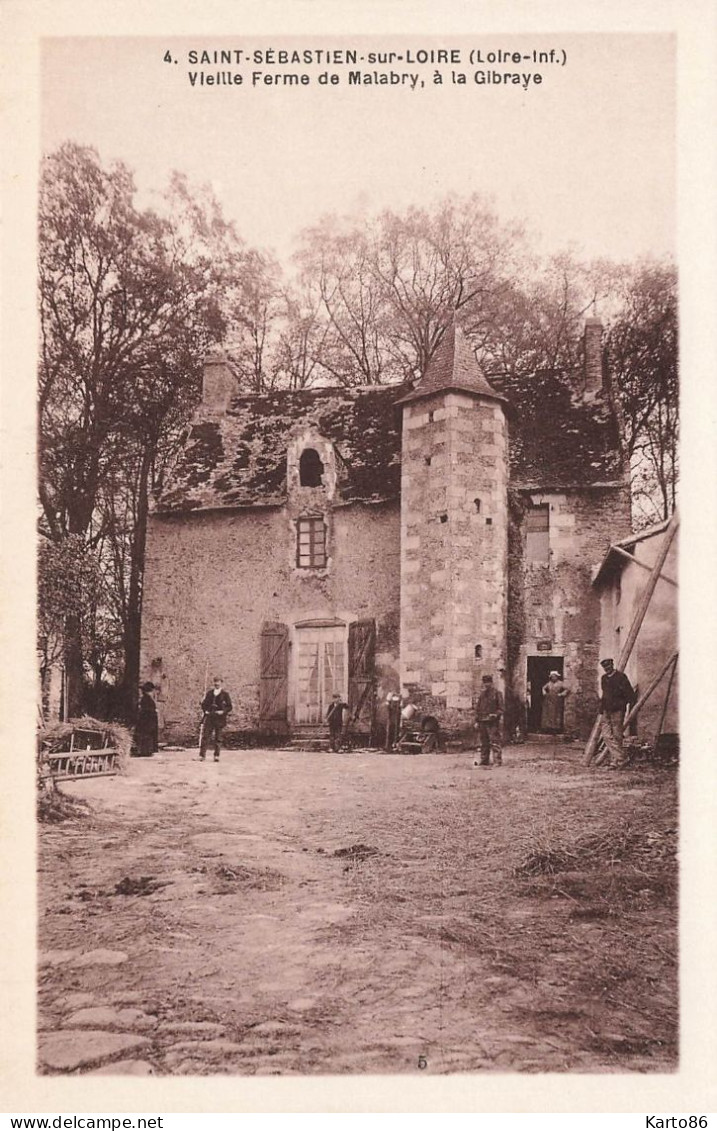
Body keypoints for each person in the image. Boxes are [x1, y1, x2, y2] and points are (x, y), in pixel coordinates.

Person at [599, 659, 636, 769]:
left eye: (609, 666)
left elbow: (630, 695)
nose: (607, 669)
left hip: (617, 710)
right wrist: (601, 709)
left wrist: (622, 705)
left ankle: (614, 762)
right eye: (605, 668)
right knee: (606, 735)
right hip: (606, 710)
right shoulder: (604, 678)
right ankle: (622, 758)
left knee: (617, 736)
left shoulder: (621, 677)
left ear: (612, 665)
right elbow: (604, 694)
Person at [199, 676, 233, 762]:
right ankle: (202, 755)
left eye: (218, 682)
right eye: (215, 682)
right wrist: (205, 710)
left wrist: (223, 711)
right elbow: (204, 704)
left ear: (221, 683)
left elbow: (229, 707)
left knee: (218, 737)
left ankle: (216, 755)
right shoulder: (210, 693)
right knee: (205, 736)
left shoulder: (225, 694)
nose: (216, 683)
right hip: (210, 717)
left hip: (219, 718)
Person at [475, 674, 504, 767]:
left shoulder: (497, 693)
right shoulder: (482, 695)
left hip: (492, 722)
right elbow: (478, 709)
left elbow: (501, 708)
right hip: (482, 721)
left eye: (488, 683)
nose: (486, 685)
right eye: (485, 683)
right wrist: (477, 721)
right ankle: (484, 760)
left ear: (491, 683)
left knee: (495, 741)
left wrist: (495, 715)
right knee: (484, 742)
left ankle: (497, 761)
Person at [135, 681, 158, 757]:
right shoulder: (146, 698)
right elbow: (147, 710)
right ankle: (145, 751)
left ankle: (146, 751)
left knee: (146, 735)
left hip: (147, 719)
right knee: (146, 735)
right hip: (147, 719)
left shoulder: (146, 698)